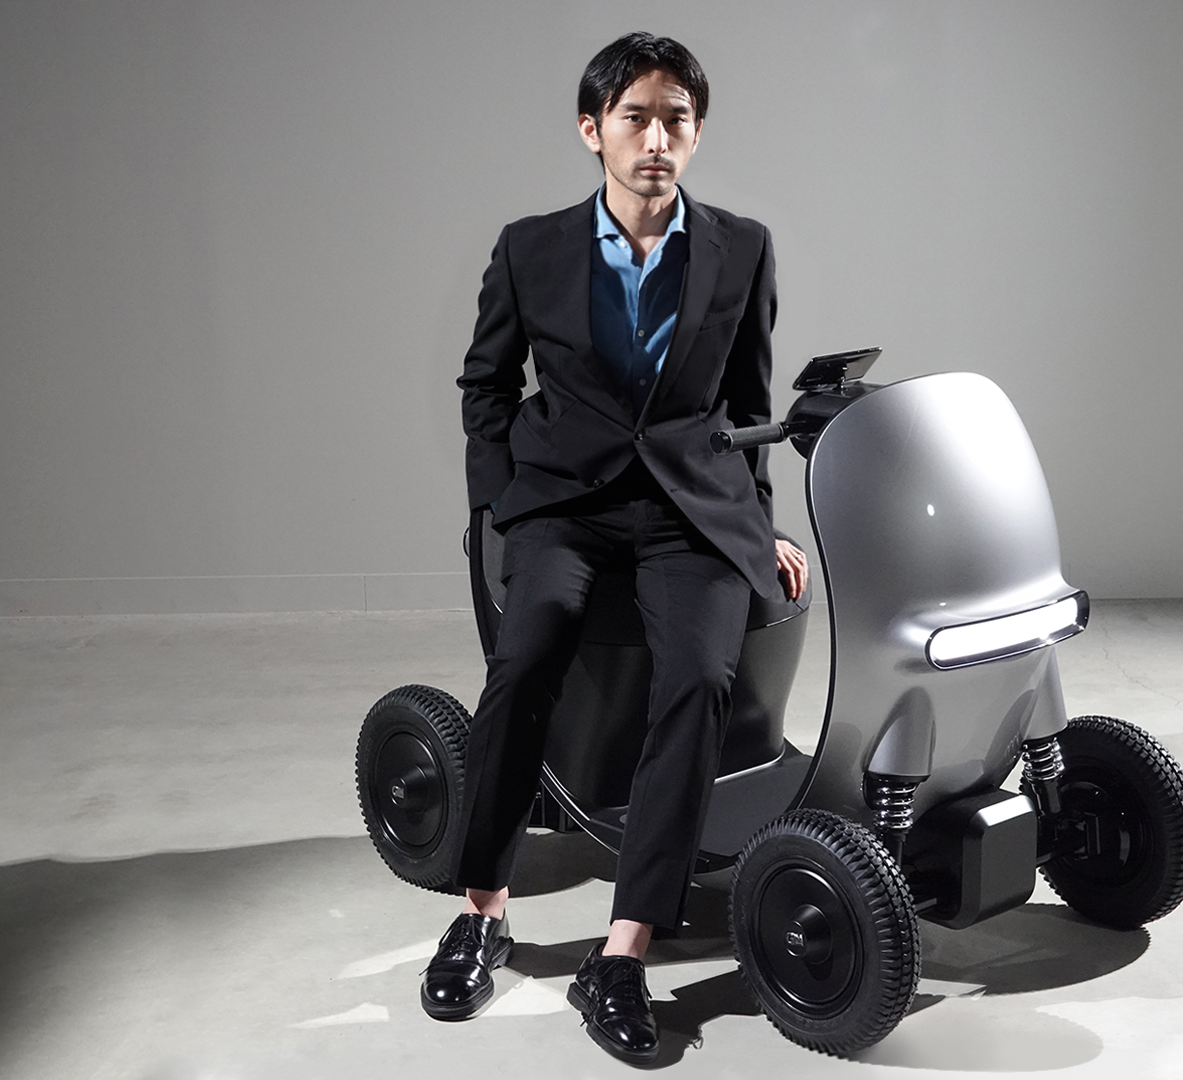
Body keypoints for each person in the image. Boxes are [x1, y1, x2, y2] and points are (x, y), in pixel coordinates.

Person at [419, 32, 807, 1064]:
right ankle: (483, 911)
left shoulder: (743, 247)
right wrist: (499, 506)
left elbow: (749, 405)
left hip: (689, 513)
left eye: (676, 118)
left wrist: (758, 521)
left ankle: (623, 951)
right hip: (565, 507)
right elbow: (486, 386)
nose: (656, 139)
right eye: (636, 117)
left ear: (697, 132)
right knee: (525, 658)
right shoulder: (531, 248)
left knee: (701, 681)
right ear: (593, 131)